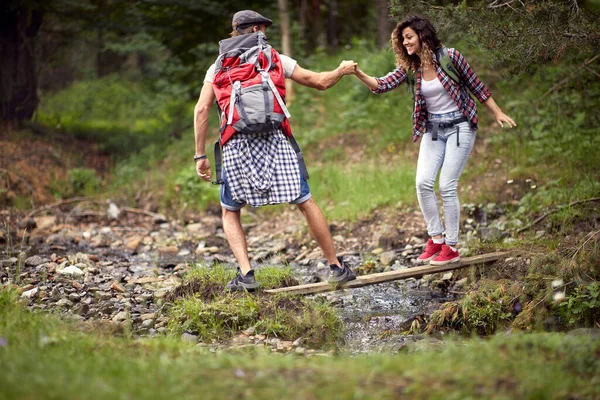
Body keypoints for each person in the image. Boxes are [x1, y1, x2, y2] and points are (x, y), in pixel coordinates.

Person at [194, 10, 358, 291]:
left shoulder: (218, 66)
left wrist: (200, 155)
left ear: (234, 31)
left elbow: (201, 110)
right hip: (275, 141)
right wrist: (341, 70)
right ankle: (336, 267)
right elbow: (320, 81)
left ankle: (246, 275)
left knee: (230, 211)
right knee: (305, 201)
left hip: (236, 145)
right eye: (263, 28)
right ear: (256, 28)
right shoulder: (275, 59)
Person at [352, 15, 516, 265]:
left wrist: (498, 112)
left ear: (422, 35)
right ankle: (436, 239)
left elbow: (476, 86)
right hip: (434, 130)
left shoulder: (450, 57)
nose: (406, 43)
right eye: (402, 39)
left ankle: (451, 246)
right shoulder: (411, 67)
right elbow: (381, 85)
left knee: (447, 185)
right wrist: (357, 72)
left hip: (460, 125)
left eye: (409, 37)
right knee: (423, 183)